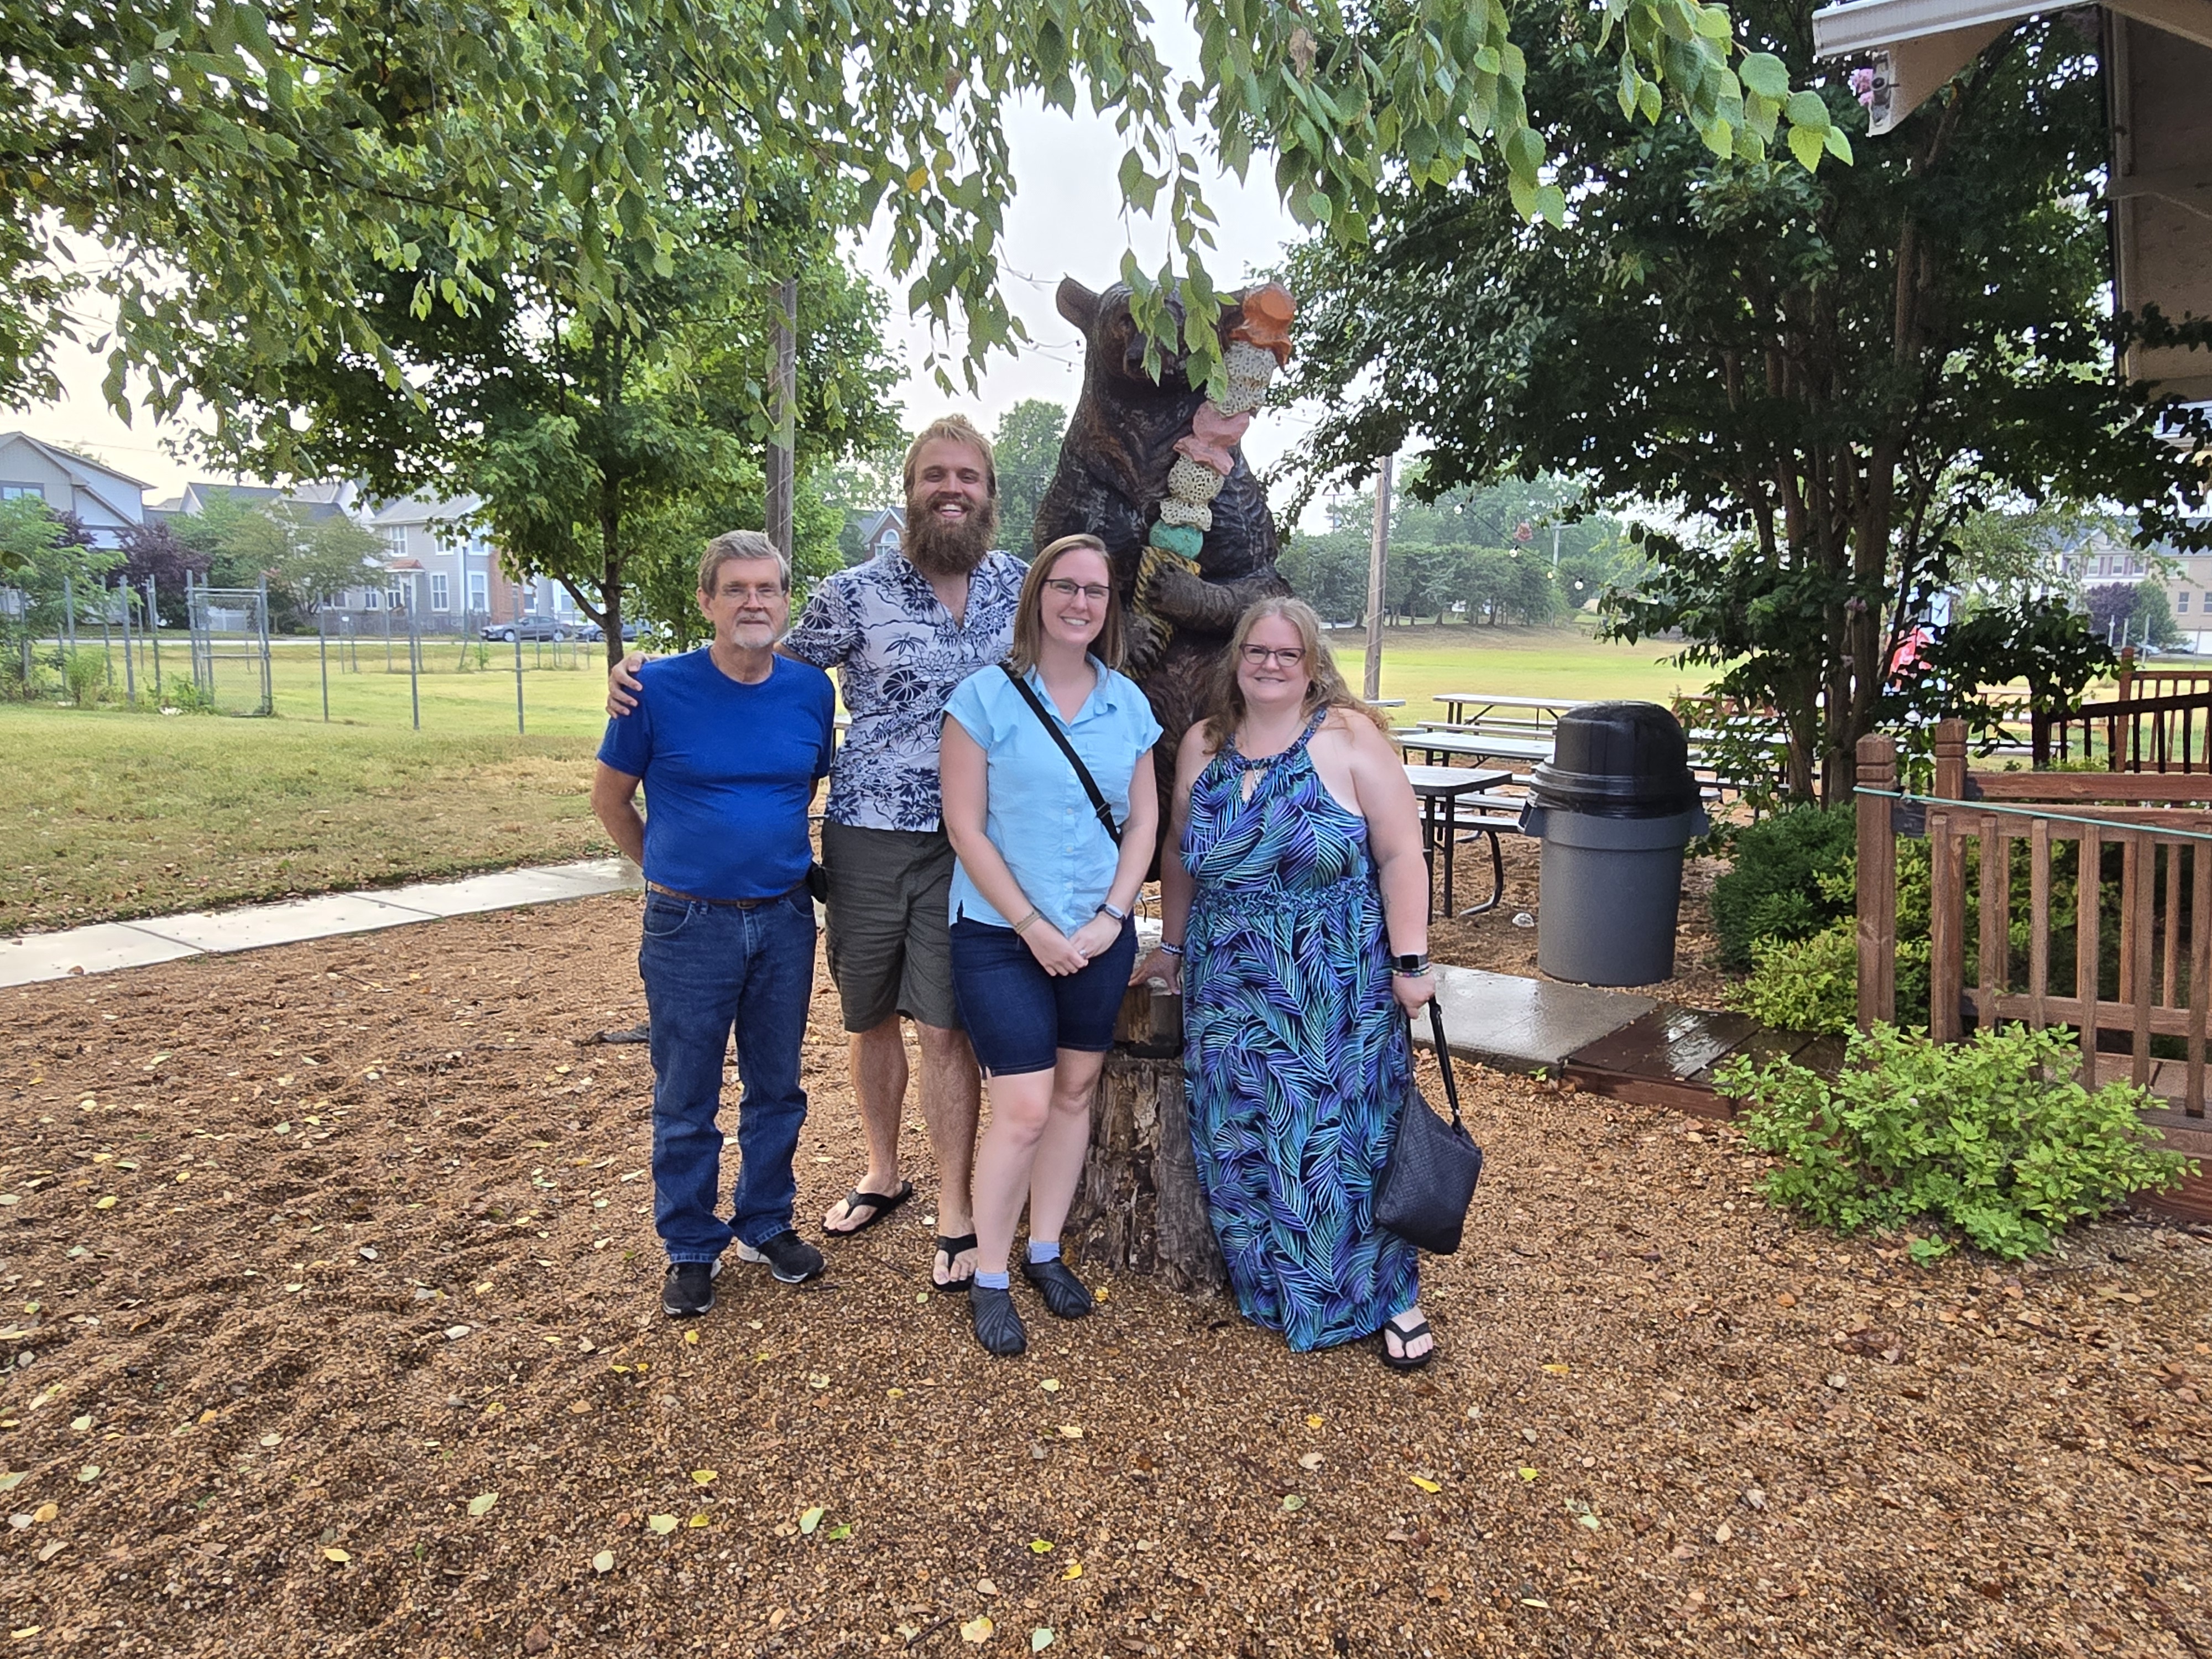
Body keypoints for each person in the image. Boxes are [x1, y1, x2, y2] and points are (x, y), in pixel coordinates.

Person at [608, 416, 1023, 1291]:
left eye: (969, 477)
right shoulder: (850, 593)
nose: (952, 489)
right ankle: (883, 1171)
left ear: (990, 492)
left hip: (976, 840)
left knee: (948, 1026)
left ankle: (956, 1210)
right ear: (909, 490)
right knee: (868, 1015)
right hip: (868, 834)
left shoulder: (1022, 594)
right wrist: (639, 676)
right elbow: (754, 671)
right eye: (934, 475)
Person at [1134, 597, 1441, 1369]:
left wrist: (1411, 964)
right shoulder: (1206, 744)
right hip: (1227, 980)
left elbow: (1403, 854)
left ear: (1312, 667)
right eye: (1257, 651)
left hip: (1330, 981)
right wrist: (1169, 948)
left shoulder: (1347, 738)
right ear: (1236, 659)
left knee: (1346, 1140)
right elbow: (1178, 852)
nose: (1270, 665)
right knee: (1239, 1134)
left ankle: (1389, 1296)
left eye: (1287, 654)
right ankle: (1277, 1287)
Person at [592, 532, 836, 1317]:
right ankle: (691, 1245)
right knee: (686, 1093)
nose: (753, 603)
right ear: (706, 602)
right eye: (735, 589)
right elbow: (610, 801)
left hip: (784, 920)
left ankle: (766, 1220)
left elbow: (796, 790)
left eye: (767, 589)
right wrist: (670, 869)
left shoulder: (809, 692)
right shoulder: (653, 691)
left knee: (777, 1086)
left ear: (785, 602)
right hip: (686, 925)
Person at [939, 535, 1160, 1357]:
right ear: (1037, 596)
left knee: (1076, 1093)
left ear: (1108, 608)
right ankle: (990, 1274)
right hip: (1002, 936)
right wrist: (1034, 926)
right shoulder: (983, 699)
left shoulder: (1128, 704)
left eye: (1095, 592)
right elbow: (965, 828)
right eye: (1064, 587)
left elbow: (1143, 821)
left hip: (1098, 932)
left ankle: (1044, 1251)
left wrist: (1112, 915)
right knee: (1025, 1108)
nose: (1080, 602)